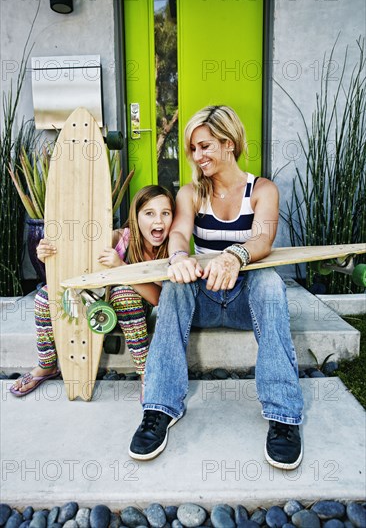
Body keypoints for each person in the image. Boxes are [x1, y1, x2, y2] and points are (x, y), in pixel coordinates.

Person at [129, 105, 304, 470]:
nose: (197, 156)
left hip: (246, 300)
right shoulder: (191, 192)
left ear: (228, 143)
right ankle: (159, 408)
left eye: (205, 146)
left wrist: (235, 256)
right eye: (193, 148)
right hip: (205, 299)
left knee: (270, 282)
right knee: (175, 288)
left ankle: (284, 416)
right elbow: (178, 234)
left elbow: (263, 238)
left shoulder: (262, 190)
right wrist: (178, 258)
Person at [10, 185, 175, 398]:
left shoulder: (171, 249)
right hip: (96, 307)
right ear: (135, 216)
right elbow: (79, 252)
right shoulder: (121, 238)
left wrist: (121, 268)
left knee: (122, 293)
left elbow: (157, 298)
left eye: (166, 213)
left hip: (132, 310)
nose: (158, 221)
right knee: (45, 296)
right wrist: (49, 254)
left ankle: (146, 373)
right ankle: (47, 364)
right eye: (149, 213)